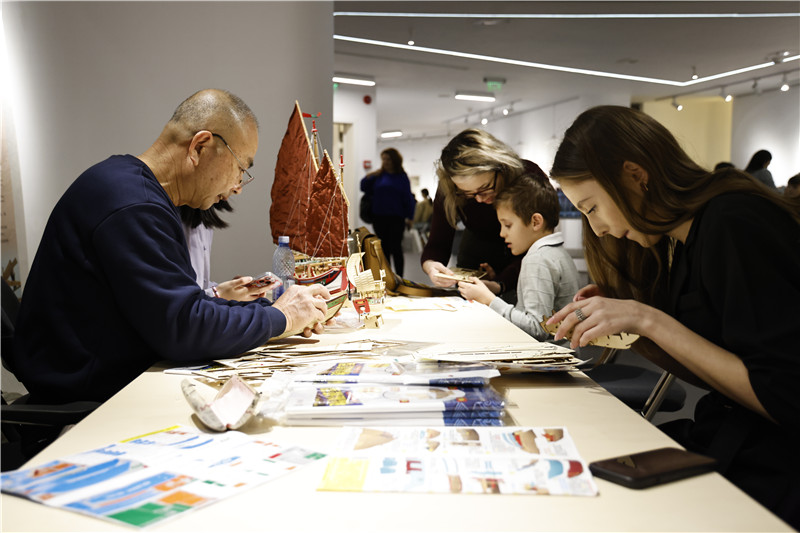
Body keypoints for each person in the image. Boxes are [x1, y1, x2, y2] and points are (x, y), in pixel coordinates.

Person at [547, 105, 800, 528]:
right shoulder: (689, 241)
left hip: (774, 462)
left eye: (592, 208)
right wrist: (628, 323)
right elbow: (718, 371)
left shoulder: (733, 221)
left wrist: (647, 319)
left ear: (635, 175)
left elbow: (783, 396)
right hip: (732, 433)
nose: (598, 229)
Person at [10, 89, 331, 404]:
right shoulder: (134, 206)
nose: (238, 187)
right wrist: (281, 317)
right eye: (241, 168)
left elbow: (187, 307)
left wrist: (273, 312)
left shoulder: (128, 186)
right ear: (200, 147)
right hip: (89, 395)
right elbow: (185, 328)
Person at [422, 129, 547, 300]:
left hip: (525, 263)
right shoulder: (450, 189)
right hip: (475, 258)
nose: (480, 199)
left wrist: (501, 283)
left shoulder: (528, 177)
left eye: (485, 188)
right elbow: (437, 243)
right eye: (468, 194)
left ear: (500, 167)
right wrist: (432, 266)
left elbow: (539, 244)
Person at [457, 174, 579, 340]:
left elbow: (538, 328)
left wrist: (489, 300)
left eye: (508, 225)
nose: (502, 233)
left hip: (548, 354)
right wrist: (492, 287)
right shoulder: (556, 253)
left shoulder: (537, 259)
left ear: (536, 222)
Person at [179, 201, 267, 301]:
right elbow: (179, 298)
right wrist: (219, 294)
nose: (237, 192)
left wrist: (230, 289)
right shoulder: (173, 220)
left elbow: (200, 284)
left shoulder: (203, 221)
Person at [360, 148, 416, 277]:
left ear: (395, 160)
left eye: (388, 159)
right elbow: (363, 187)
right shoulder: (379, 176)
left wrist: (410, 217)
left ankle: (400, 277)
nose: (385, 162)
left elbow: (408, 198)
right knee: (383, 248)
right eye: (383, 159)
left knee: (396, 248)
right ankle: (387, 276)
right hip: (379, 217)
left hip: (396, 217)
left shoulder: (402, 177)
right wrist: (370, 175)